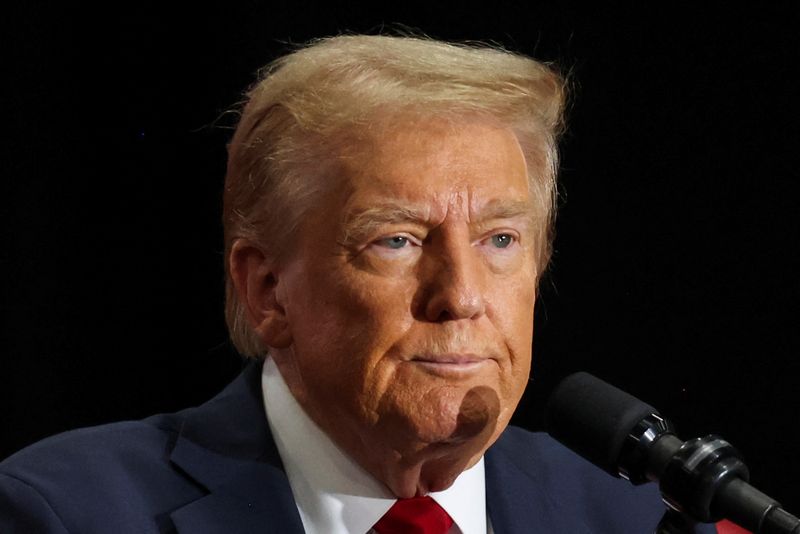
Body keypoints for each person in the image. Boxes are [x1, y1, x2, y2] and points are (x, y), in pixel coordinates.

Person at [0, 34, 720, 533]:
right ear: (268, 291)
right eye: (398, 241)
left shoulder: (632, 518)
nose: (462, 295)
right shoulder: (65, 512)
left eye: (500, 239)